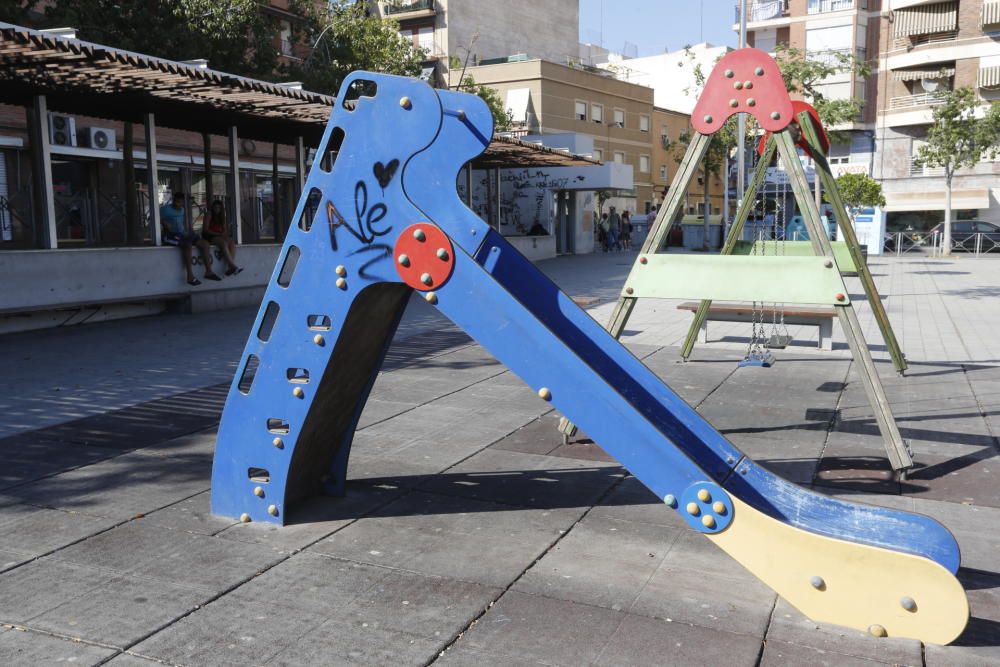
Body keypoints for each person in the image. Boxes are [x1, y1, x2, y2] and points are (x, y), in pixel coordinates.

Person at [161, 192, 220, 286]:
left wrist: (190, 231)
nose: (178, 204)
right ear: (173, 200)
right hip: (169, 235)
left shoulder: (182, 210)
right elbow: (154, 218)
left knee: (205, 244)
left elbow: (182, 224)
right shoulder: (165, 209)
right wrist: (163, 222)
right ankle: (190, 276)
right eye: (177, 201)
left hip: (181, 234)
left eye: (180, 202)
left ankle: (208, 272)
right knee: (187, 245)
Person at [202, 200, 242, 276]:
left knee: (231, 242)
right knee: (223, 243)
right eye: (216, 207)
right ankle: (232, 266)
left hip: (219, 235)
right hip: (209, 235)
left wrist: (224, 233)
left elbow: (224, 229)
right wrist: (218, 234)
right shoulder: (209, 214)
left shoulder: (222, 216)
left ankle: (231, 266)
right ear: (212, 207)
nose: (217, 209)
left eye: (219, 208)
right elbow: (205, 230)